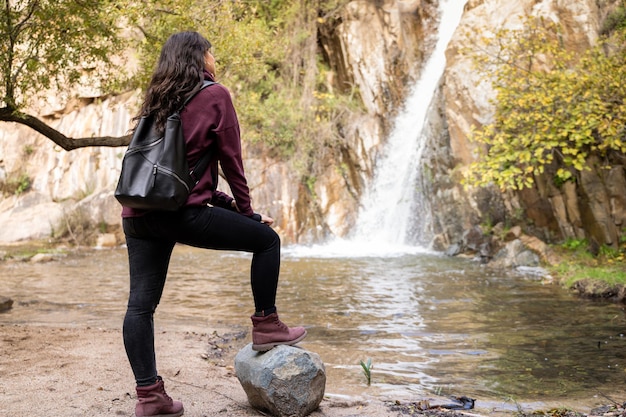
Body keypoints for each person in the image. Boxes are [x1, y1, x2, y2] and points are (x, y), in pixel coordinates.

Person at [121, 31, 307, 417]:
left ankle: (150, 397)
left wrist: (238, 213)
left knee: (140, 306)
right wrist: (249, 211)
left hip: (138, 213)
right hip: (179, 214)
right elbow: (231, 163)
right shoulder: (213, 95)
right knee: (267, 241)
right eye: (211, 50)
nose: (215, 57)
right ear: (199, 57)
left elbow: (185, 176)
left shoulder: (157, 99)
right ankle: (267, 324)